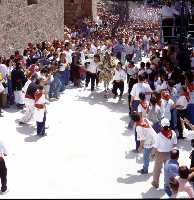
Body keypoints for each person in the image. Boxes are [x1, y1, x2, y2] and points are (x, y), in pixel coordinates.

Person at [151, 118, 177, 188]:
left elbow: (155, 147)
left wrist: (152, 154)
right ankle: (167, 184)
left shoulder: (159, 135)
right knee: (168, 170)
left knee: (157, 169)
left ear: (162, 126)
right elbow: (175, 144)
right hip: (169, 154)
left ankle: (155, 183)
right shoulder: (173, 133)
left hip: (160, 154)